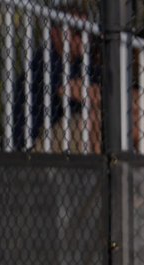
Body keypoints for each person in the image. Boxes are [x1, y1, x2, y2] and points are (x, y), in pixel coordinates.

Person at [13, 2, 102, 153]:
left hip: (66, 134)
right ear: (55, 34)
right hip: (37, 144)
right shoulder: (44, 61)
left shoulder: (83, 63)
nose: (85, 38)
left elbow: (101, 92)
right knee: (92, 117)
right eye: (77, 32)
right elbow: (73, 91)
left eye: (88, 32)